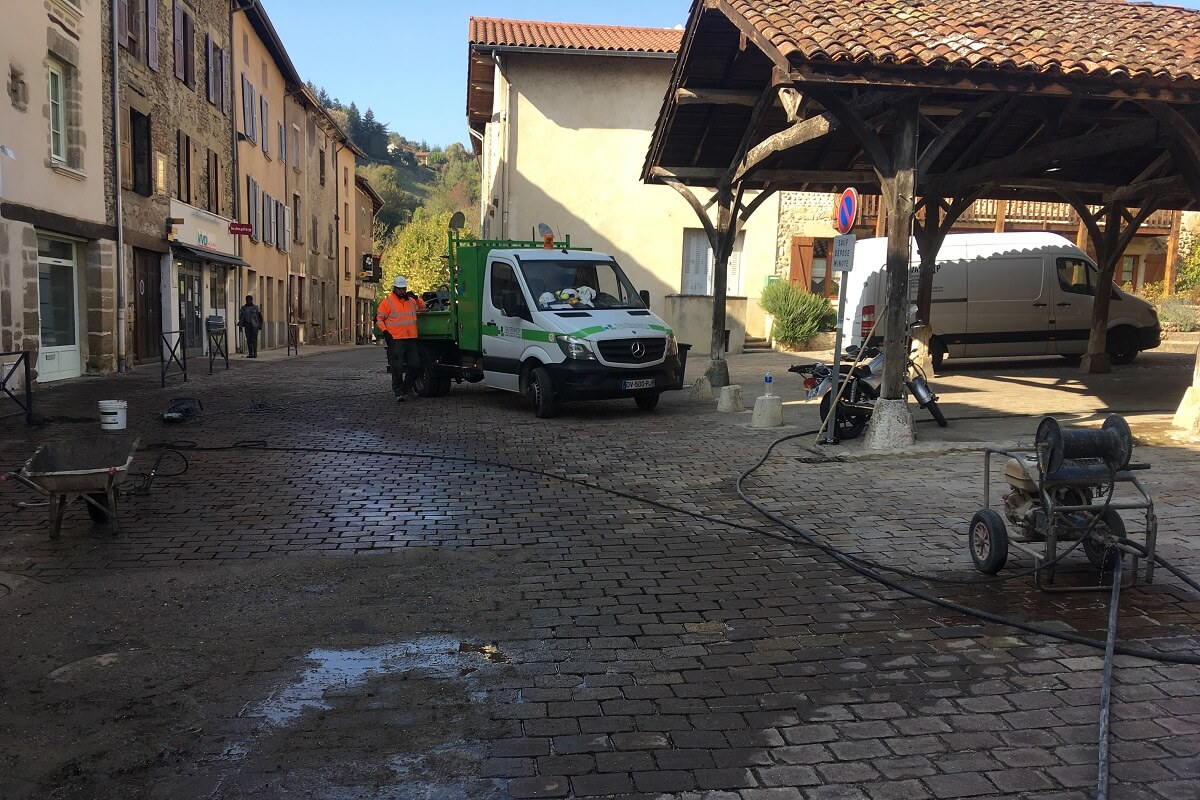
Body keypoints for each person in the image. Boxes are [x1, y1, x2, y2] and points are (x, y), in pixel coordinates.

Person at [375, 275, 426, 401]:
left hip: (411, 338)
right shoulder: (387, 302)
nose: (402, 291)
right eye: (400, 289)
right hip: (396, 339)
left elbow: (422, 308)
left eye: (404, 289)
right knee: (397, 367)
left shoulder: (411, 302)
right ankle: (398, 391)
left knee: (415, 365)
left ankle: (406, 387)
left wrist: (417, 298)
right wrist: (385, 331)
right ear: (395, 288)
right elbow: (379, 318)